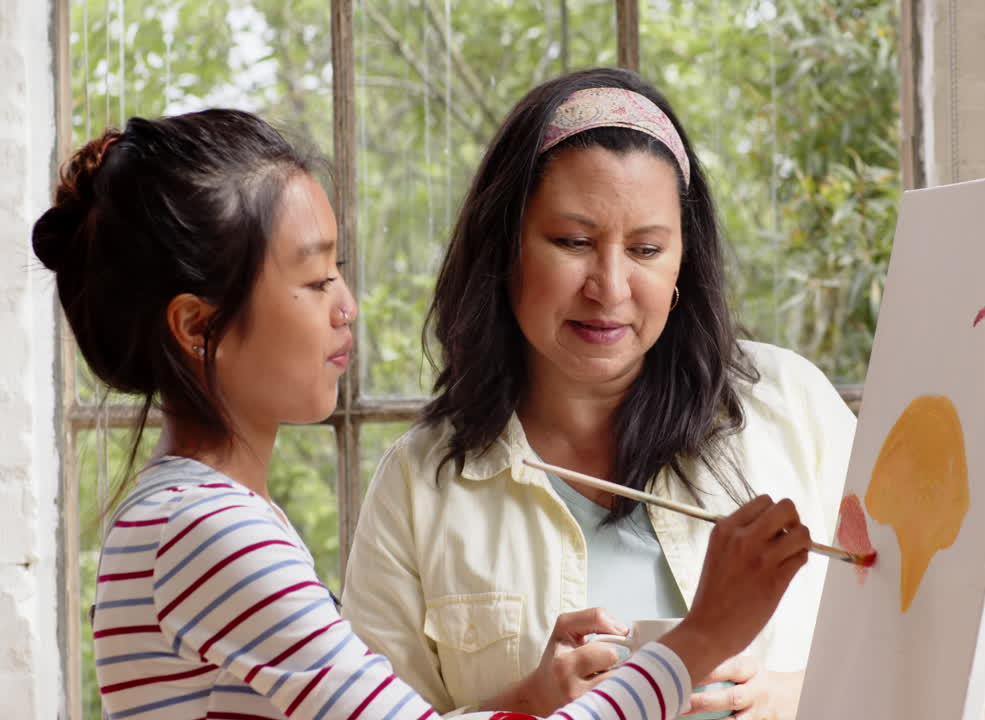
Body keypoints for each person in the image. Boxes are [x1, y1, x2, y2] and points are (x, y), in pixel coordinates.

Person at [34, 108, 813, 720]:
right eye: (313, 282)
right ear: (198, 326)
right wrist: (704, 634)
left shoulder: (191, 514)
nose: (347, 307)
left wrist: (527, 700)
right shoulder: (209, 530)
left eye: (340, 270)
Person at [342, 68, 856, 719]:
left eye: (645, 249)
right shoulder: (419, 486)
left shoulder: (792, 408)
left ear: (682, 265)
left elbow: (925, 639)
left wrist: (802, 695)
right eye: (573, 242)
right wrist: (528, 703)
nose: (609, 287)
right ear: (506, 249)